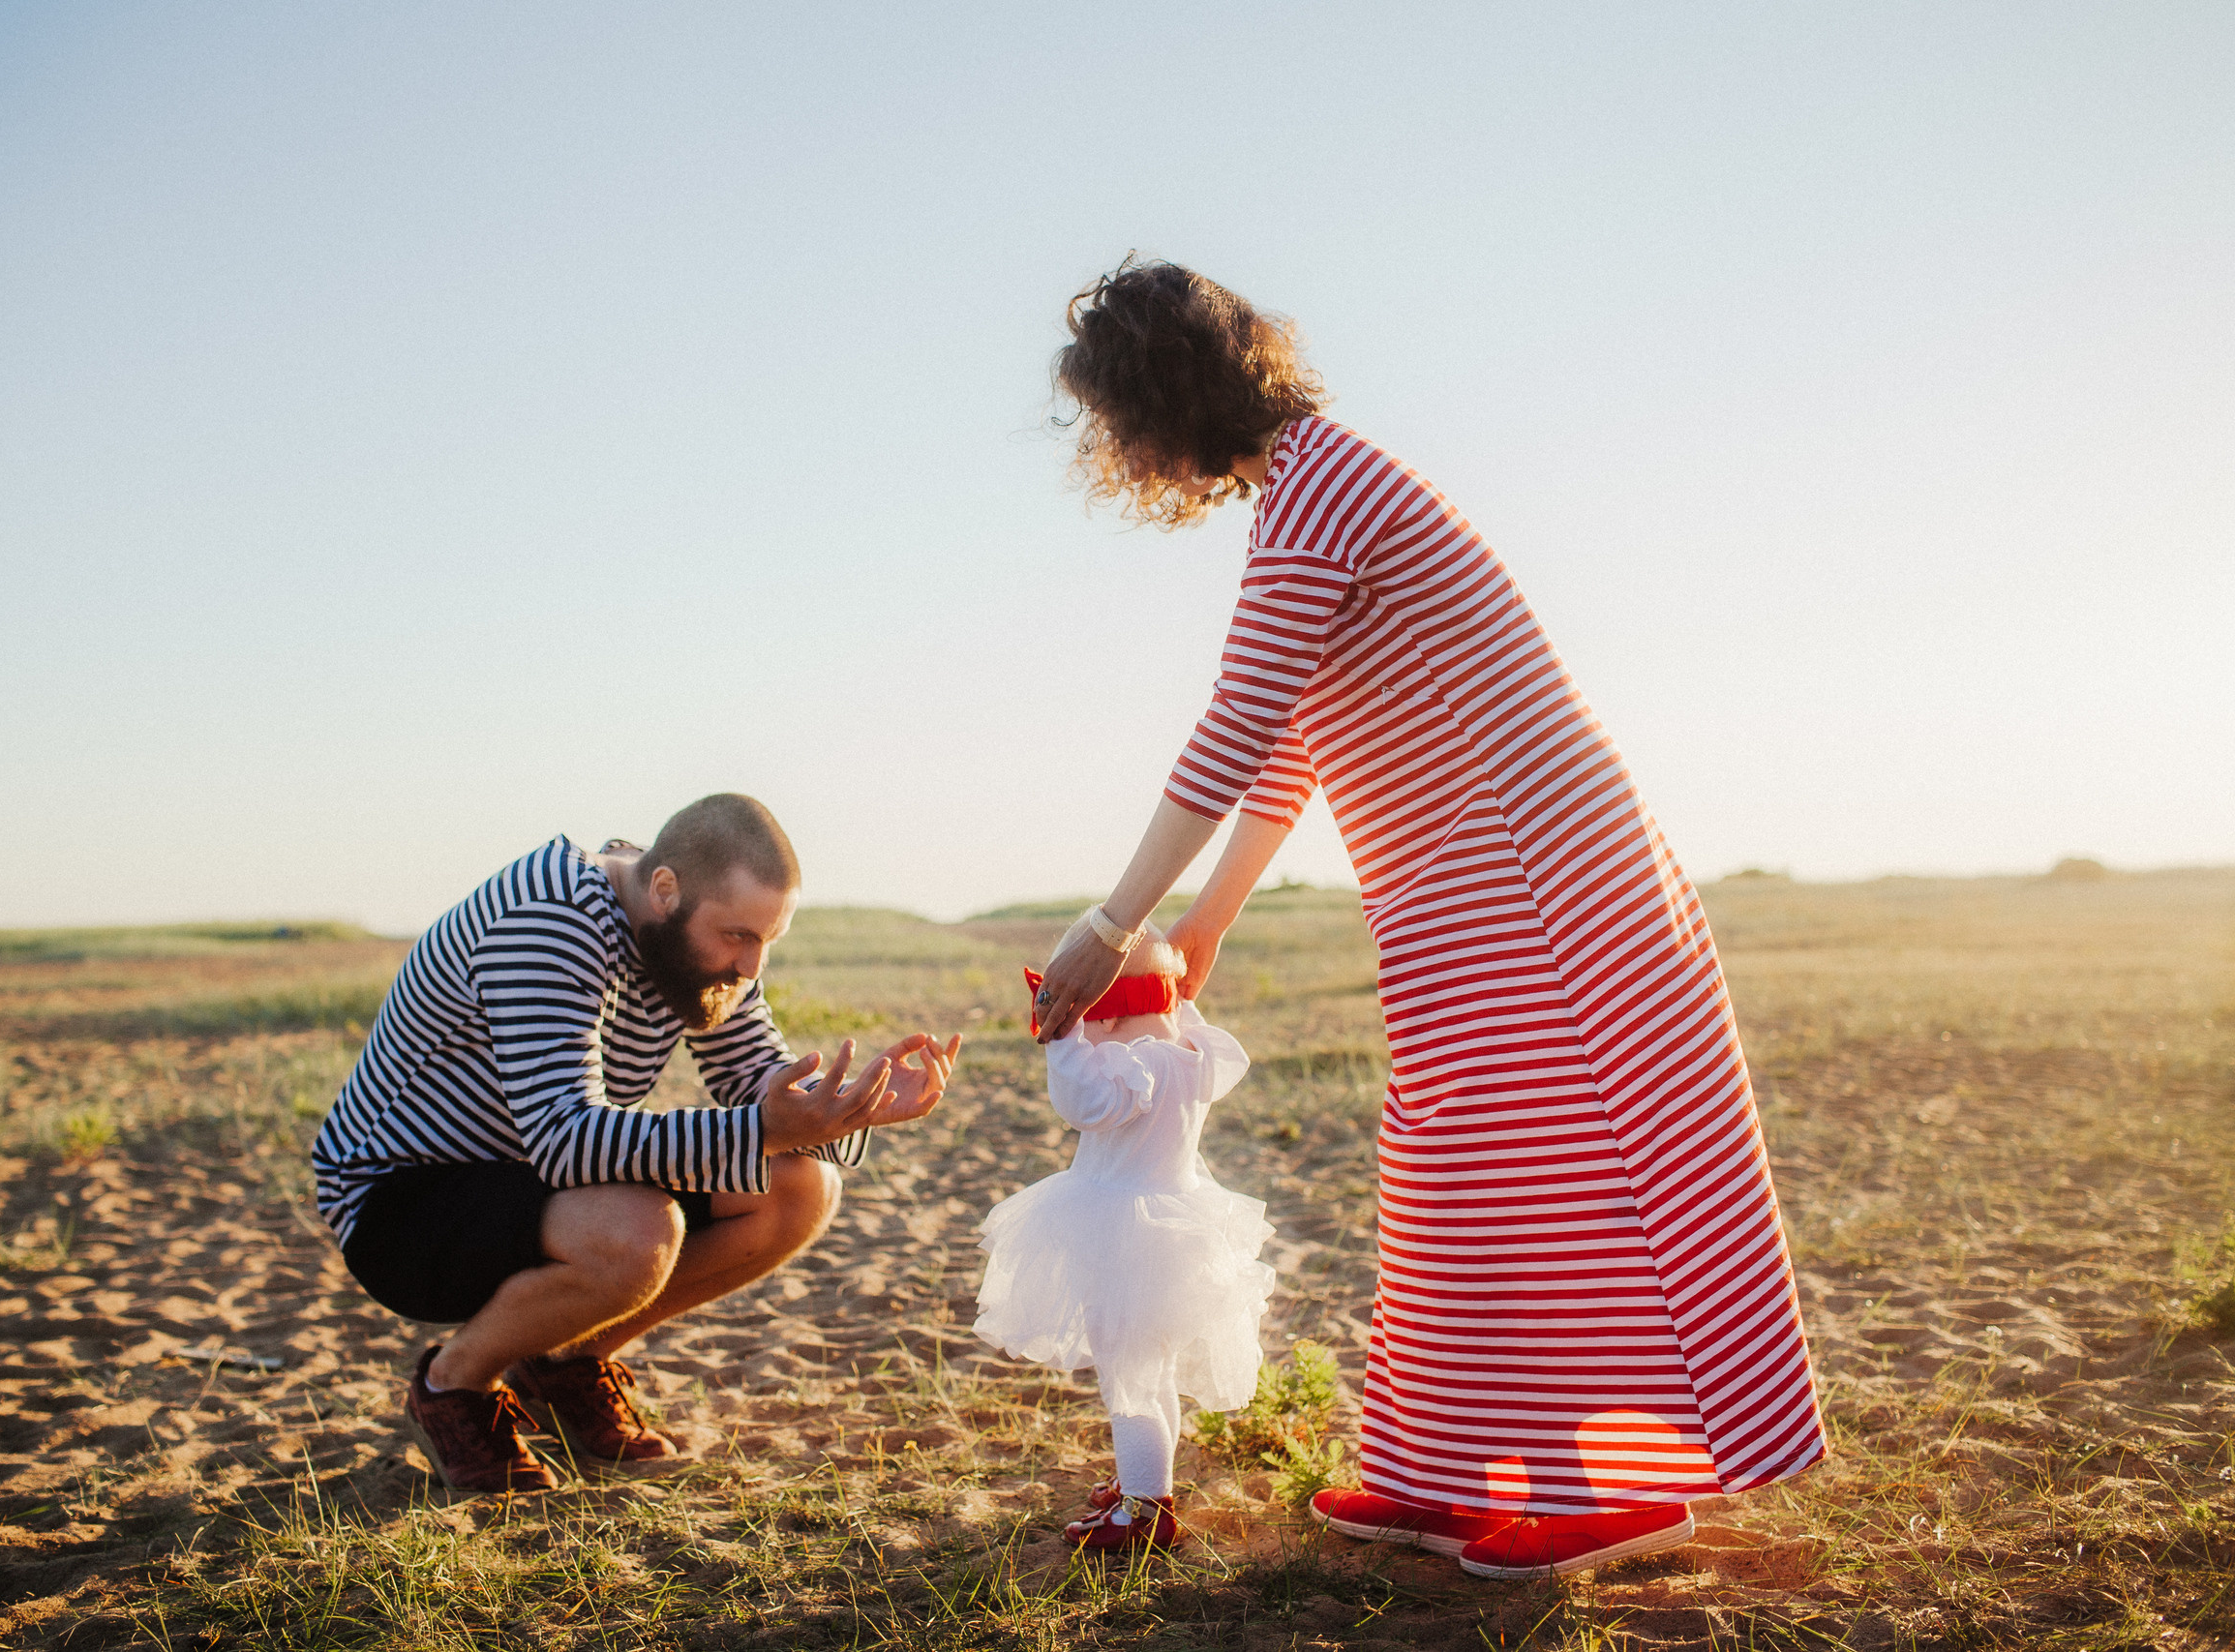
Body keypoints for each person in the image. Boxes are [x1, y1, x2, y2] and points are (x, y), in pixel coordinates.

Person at [1028, 260, 1827, 1580]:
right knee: (1453, 1165)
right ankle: (1437, 1471)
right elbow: (1290, 733)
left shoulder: (1318, 496)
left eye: (1114, 418)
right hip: (1466, 891)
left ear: (1155, 399)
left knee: (1547, 1175)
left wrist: (1112, 927)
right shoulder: (1311, 489)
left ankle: (1604, 1485)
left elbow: (1231, 729)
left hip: (1542, 882)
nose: (1119, 449)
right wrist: (1211, 917)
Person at [312, 795, 961, 1494]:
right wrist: (765, 1126)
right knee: (640, 1229)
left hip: (535, 1176)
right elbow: (564, 1138)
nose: (750, 967)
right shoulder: (552, 919)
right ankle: (451, 1386)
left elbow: (751, 1075)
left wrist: (844, 1107)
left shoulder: (690, 930)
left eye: (768, 940)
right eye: (738, 935)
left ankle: (565, 1361)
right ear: (664, 890)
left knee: (799, 1187)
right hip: (401, 1200)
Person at [973, 927, 1275, 1553]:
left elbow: (1078, 1101)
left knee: (1129, 1376)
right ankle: (1148, 1480)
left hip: (1120, 1235)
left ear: (1101, 1013)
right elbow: (1213, 1043)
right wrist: (1179, 1001)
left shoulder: (1126, 1068)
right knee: (1150, 1366)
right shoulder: (1195, 1054)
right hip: (1177, 1228)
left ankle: (1145, 1509)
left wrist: (1061, 1038)